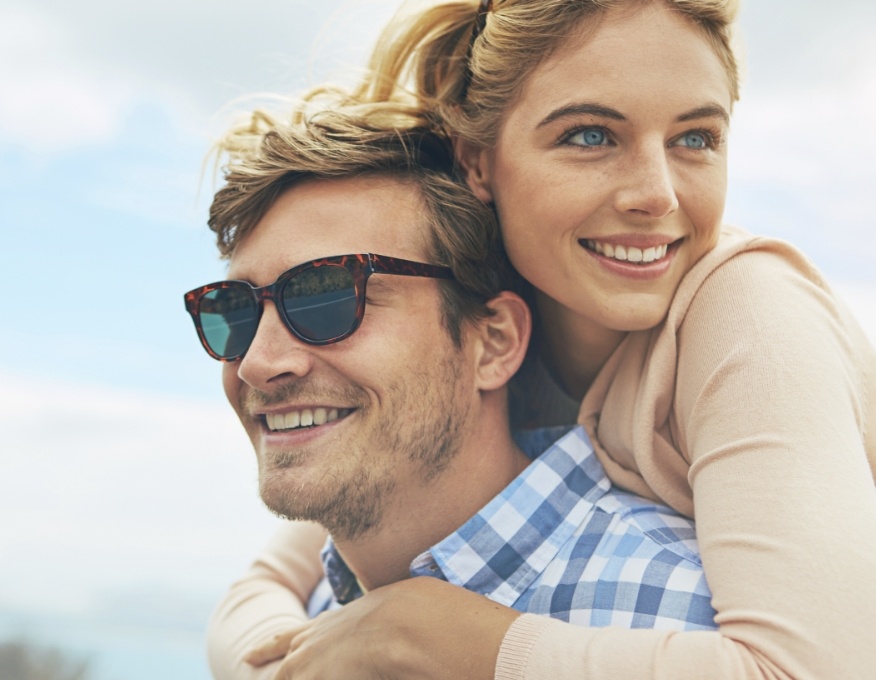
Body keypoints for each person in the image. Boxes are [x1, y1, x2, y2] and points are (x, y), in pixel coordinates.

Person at [208, 0, 876, 678]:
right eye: (591, 136)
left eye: (696, 138)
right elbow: (273, 577)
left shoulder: (749, 312)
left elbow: (818, 667)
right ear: (478, 160)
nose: (658, 195)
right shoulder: (499, 302)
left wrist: (449, 638)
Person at [188, 110, 719, 680]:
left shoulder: (673, 618)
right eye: (234, 311)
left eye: (328, 297)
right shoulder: (317, 613)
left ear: (492, 343)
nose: (259, 364)